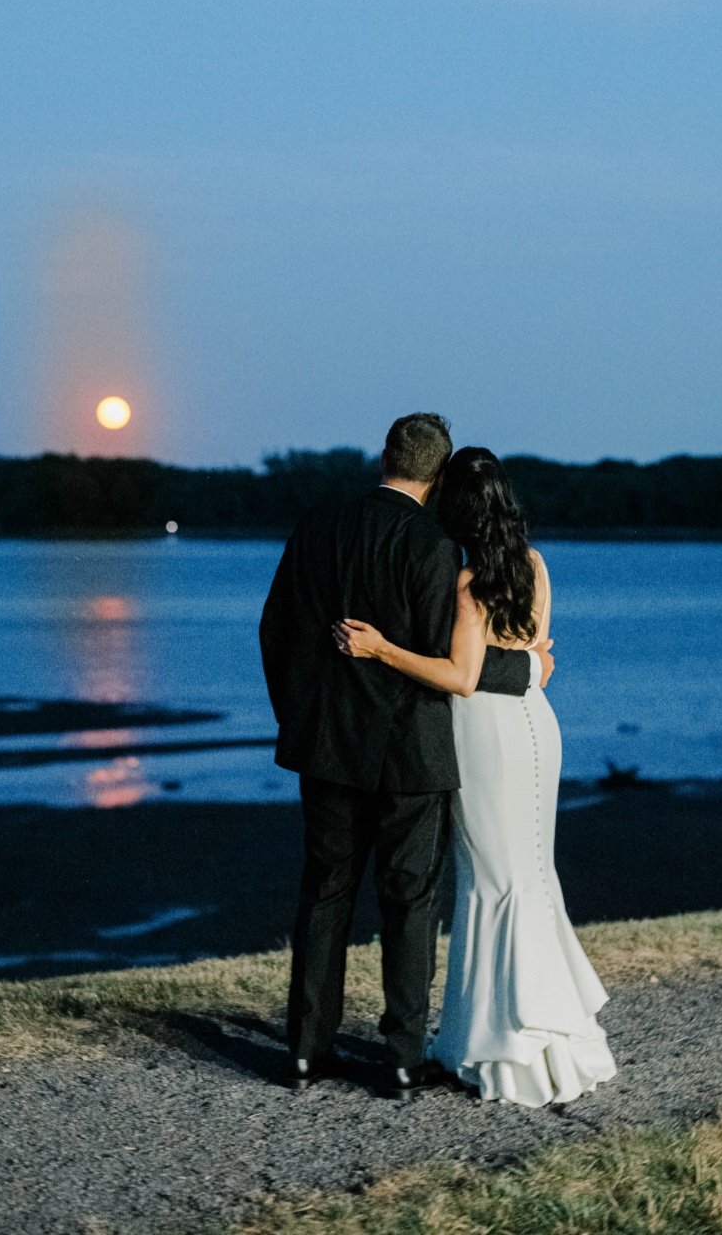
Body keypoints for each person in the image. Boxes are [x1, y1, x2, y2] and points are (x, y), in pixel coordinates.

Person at [333, 445, 616, 1107]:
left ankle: (505, 1050)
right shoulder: (535, 567)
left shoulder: (466, 584)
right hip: (537, 726)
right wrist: (527, 665)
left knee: (492, 881)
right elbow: (536, 655)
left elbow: (461, 678)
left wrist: (381, 648)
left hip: (487, 734)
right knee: (531, 875)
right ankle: (547, 1037)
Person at [259, 412, 476, 1101]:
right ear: (438, 478)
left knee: (324, 895)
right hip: (409, 753)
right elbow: (446, 660)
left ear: (382, 457)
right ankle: (404, 1062)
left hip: (327, 748)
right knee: (408, 903)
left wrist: (300, 716)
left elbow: (275, 631)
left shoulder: (317, 528)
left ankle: (304, 1052)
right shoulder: (436, 547)